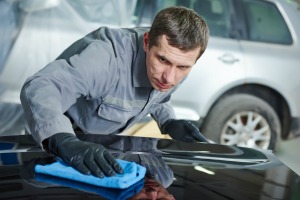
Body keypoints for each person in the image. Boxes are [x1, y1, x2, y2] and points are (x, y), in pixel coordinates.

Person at [20, 6, 209, 179]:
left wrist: (168, 121)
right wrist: (62, 140)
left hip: (103, 150)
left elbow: (157, 95)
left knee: (164, 179)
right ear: (146, 42)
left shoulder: (172, 64)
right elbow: (41, 86)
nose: (170, 78)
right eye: (163, 60)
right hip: (52, 141)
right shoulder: (106, 57)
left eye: (182, 67)